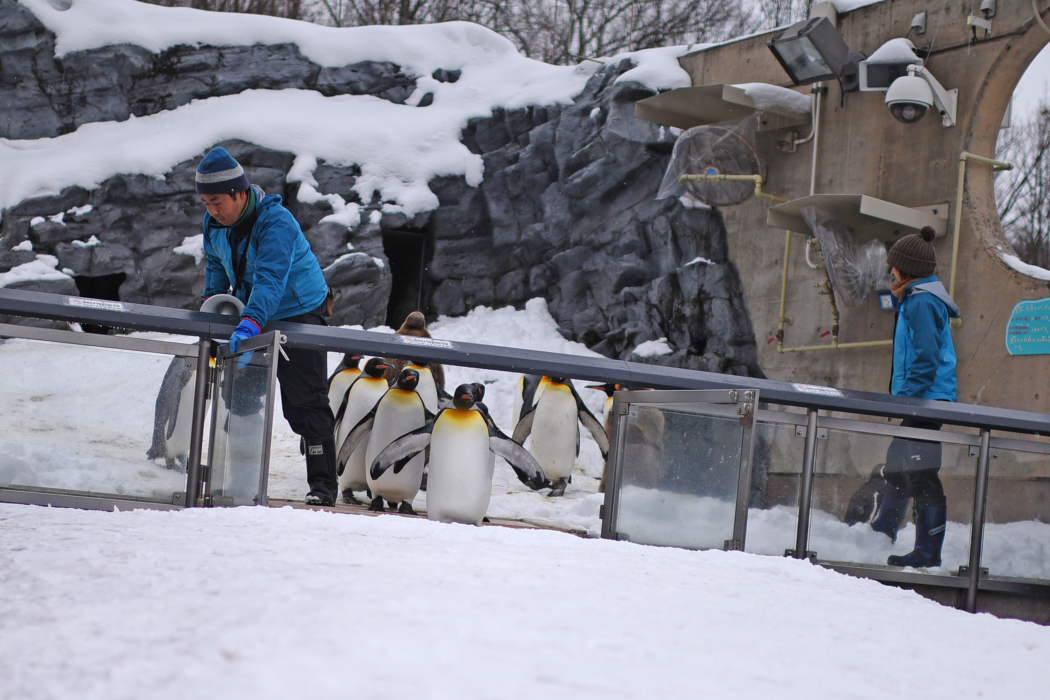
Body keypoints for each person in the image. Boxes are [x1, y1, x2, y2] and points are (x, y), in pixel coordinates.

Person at [196, 146, 338, 506]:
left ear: (239, 193)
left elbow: (271, 279)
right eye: (206, 204)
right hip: (250, 312)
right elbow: (215, 268)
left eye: (217, 202)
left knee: (304, 404)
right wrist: (214, 311)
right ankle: (240, 484)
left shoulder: (277, 223)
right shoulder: (215, 224)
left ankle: (323, 487)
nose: (212, 211)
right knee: (239, 398)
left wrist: (249, 324)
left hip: (300, 310)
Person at [864, 225, 960, 568]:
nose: (890, 271)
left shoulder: (921, 302)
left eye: (894, 265)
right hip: (921, 399)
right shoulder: (917, 299)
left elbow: (925, 358)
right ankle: (882, 531)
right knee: (897, 465)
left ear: (906, 268)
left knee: (920, 471)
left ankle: (927, 552)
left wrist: (908, 399)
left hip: (925, 401)